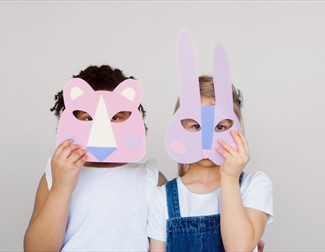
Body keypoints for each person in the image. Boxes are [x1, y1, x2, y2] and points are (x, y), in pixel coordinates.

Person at [24, 65, 167, 251]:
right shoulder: (55, 176)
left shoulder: (150, 177)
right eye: (86, 118)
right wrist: (61, 188)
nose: (102, 131)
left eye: (116, 117)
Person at [147, 75, 273, 251]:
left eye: (220, 127)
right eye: (196, 126)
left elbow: (238, 249)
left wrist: (229, 178)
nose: (207, 141)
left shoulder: (254, 184)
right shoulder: (162, 198)